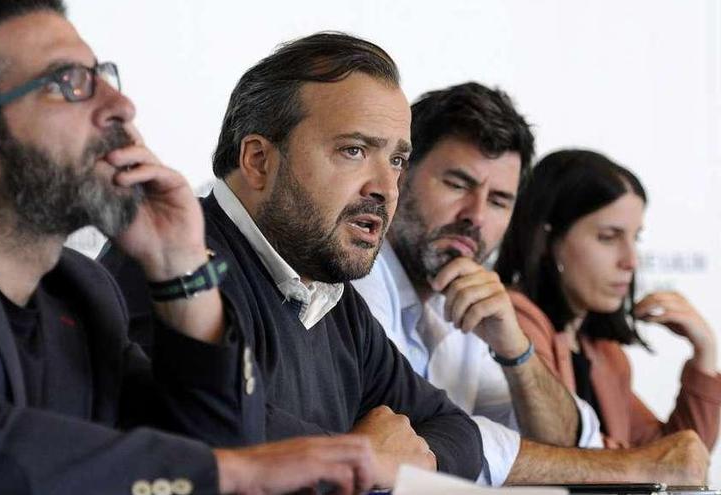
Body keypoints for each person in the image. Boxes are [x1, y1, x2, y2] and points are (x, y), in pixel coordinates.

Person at [0, 1, 380, 493]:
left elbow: (222, 442)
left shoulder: (79, 290)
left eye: (103, 76)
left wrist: (179, 265)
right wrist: (237, 472)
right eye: (68, 82)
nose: (121, 104)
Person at [103, 32, 483, 488]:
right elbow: (215, 433)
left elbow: (459, 432)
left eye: (398, 159)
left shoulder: (330, 296)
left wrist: (402, 461)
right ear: (259, 160)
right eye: (354, 150)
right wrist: (360, 456)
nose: (385, 187)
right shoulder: (169, 265)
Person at [353, 83, 710, 485]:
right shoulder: (355, 277)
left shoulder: (473, 301)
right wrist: (634, 465)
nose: (475, 216)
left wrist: (517, 352)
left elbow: (572, 444)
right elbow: (424, 439)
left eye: (499, 200)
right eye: (457, 184)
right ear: (400, 173)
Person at [495, 149, 721, 451]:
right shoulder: (511, 317)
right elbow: (568, 454)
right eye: (608, 237)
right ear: (547, 239)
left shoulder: (603, 351)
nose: (631, 261)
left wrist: (704, 355)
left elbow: (679, 459)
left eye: (635, 237)